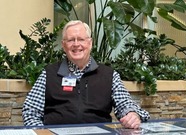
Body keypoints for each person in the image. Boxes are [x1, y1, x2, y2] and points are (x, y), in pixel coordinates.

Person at [22, 20, 150, 129]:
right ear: (63, 45)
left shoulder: (109, 75)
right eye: (71, 40)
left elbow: (125, 104)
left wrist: (132, 114)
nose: (76, 44)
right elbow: (30, 110)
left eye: (81, 39)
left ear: (90, 43)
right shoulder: (49, 73)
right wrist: (40, 132)